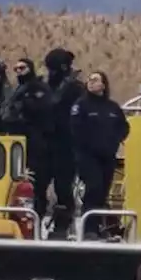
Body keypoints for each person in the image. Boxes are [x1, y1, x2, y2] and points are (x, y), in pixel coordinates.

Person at [70, 71, 130, 238]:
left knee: (103, 192)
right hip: (88, 157)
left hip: (108, 157)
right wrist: (88, 145)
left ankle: (99, 228)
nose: (91, 82)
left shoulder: (112, 107)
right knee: (93, 189)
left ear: (103, 84)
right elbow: (75, 128)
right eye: (89, 79)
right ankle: (89, 229)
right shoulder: (81, 105)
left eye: (95, 79)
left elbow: (123, 127)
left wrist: (115, 141)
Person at [0, 57, 55, 218]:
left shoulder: (39, 89)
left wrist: (24, 107)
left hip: (37, 143)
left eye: (22, 68)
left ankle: (37, 215)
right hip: (17, 143)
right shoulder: (17, 90)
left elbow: (42, 112)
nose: (18, 72)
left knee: (36, 183)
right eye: (16, 69)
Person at [44, 48, 85, 237]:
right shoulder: (45, 88)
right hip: (45, 143)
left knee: (63, 187)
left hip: (66, 145)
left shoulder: (76, 89)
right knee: (39, 187)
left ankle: (63, 224)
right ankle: (38, 220)